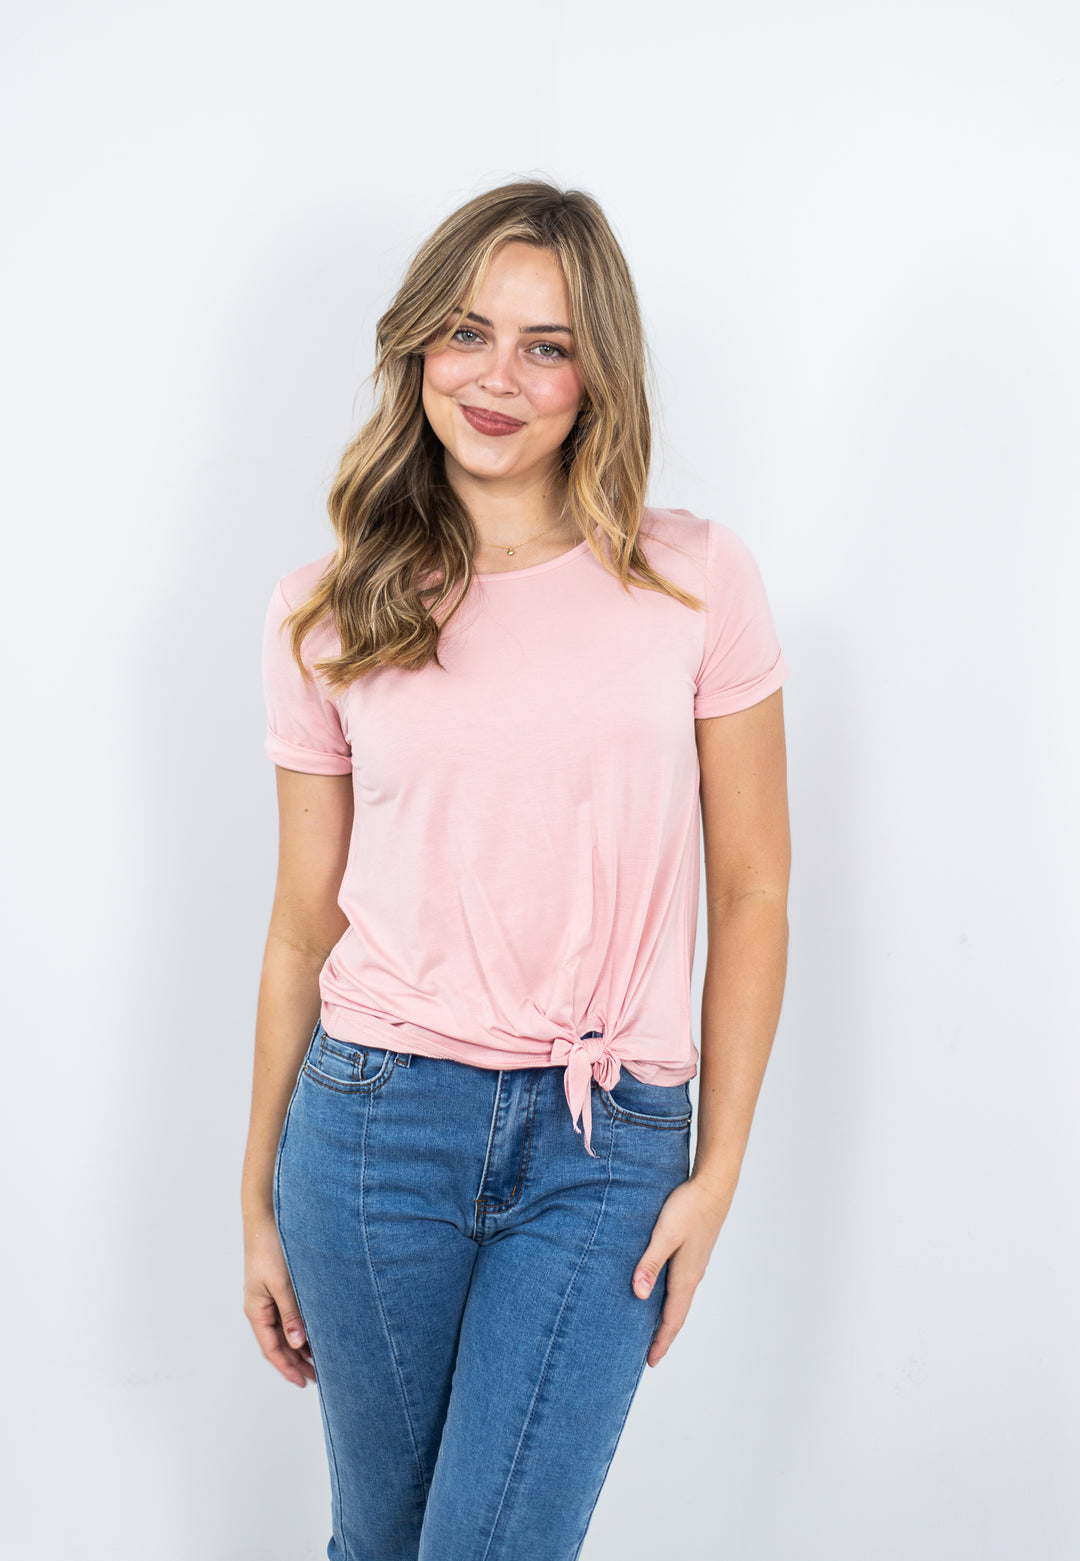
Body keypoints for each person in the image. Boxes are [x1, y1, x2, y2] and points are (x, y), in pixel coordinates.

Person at [241, 178, 791, 1561]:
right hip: (373, 1127)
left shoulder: (696, 581)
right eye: (468, 332)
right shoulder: (327, 604)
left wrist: (717, 1169)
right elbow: (304, 916)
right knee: (383, 1540)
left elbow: (755, 889)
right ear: (418, 344)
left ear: (596, 371)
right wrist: (252, 1195)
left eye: (546, 345)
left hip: (606, 1148)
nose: (497, 377)